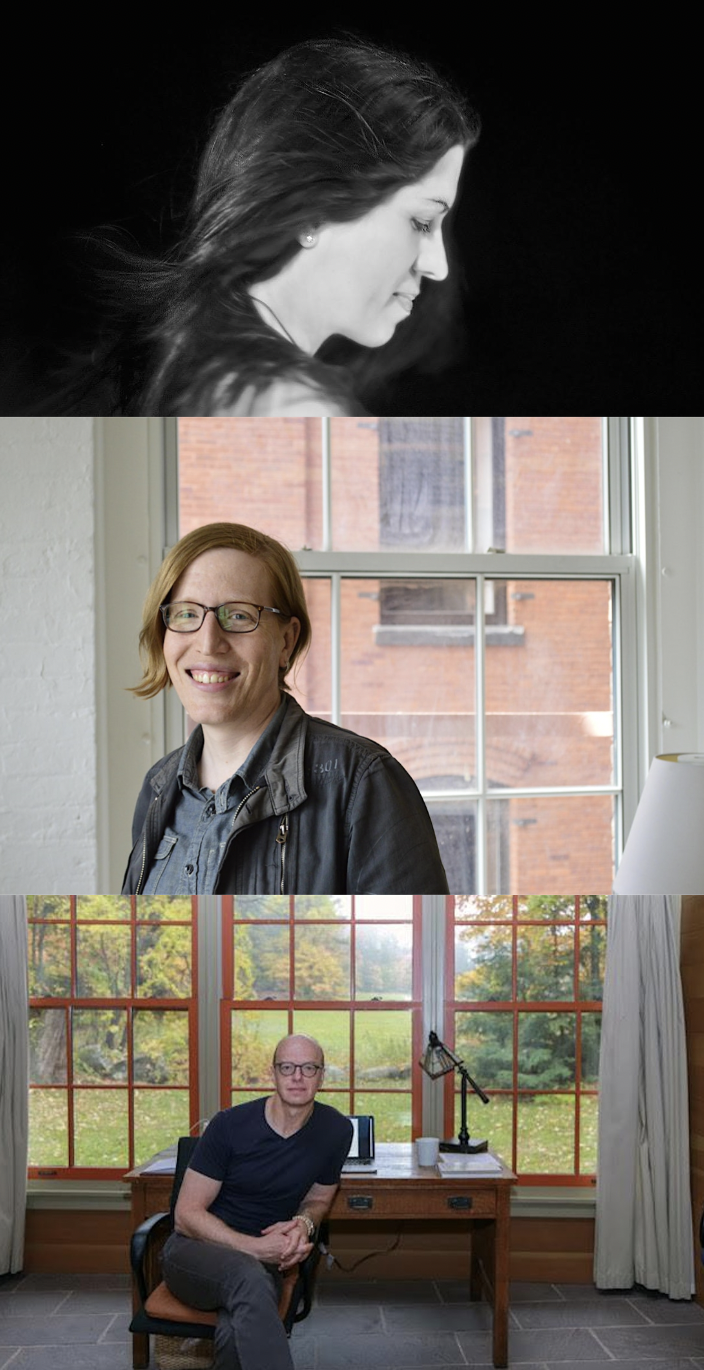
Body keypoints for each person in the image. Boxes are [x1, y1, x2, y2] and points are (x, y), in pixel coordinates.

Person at [36, 36, 479, 417]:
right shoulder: (288, 407)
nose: (437, 266)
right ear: (313, 210)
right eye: (422, 221)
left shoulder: (200, 357)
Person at [121, 521, 450, 894]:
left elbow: (415, 949)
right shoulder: (159, 788)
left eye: (239, 615)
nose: (209, 643)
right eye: (186, 614)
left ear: (286, 642)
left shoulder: (362, 783)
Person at [161, 1033, 352, 1370]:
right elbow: (186, 1216)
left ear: (322, 1076)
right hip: (194, 1251)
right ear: (272, 1073)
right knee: (248, 1276)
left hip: (267, 1260)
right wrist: (253, 1247)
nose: (297, 1076)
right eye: (287, 1067)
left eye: (309, 1068)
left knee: (236, 1331)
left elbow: (319, 1200)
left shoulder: (335, 1129)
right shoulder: (229, 1126)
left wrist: (304, 1224)